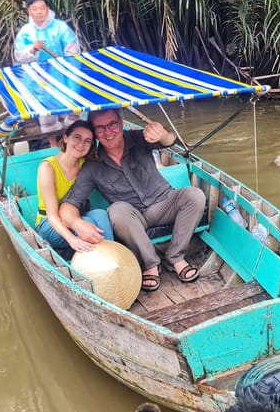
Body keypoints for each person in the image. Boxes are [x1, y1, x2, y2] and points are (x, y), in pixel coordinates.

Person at [60, 109, 206, 292]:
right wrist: (77, 223)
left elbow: (170, 141)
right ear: (95, 133)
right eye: (100, 128)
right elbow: (68, 205)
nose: (108, 132)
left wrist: (161, 131)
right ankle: (151, 264)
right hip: (133, 218)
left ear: (121, 123)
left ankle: (175, 257)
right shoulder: (93, 165)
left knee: (195, 195)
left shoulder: (138, 138)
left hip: (165, 202)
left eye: (112, 124)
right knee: (117, 210)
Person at [35, 120, 113, 257]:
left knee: (100, 214)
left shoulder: (85, 164)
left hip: (77, 214)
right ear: (65, 138)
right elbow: (52, 216)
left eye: (87, 141)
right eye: (77, 137)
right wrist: (72, 240)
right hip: (49, 223)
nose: (81, 144)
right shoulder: (48, 167)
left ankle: (112, 256)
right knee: (87, 223)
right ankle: (98, 265)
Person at [13, 0, 80, 63]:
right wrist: (33, 49)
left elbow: (72, 51)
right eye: (34, 9)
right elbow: (19, 57)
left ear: (47, 8)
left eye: (42, 8)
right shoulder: (25, 31)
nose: (39, 12)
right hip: (34, 71)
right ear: (29, 11)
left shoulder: (61, 27)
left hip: (60, 70)